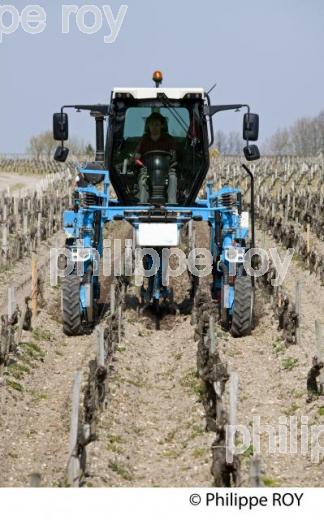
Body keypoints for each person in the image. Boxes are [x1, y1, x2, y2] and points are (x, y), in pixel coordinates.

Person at [135, 112, 177, 204]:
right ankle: (143, 206)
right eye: (152, 124)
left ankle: (172, 206)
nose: (154, 127)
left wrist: (170, 164)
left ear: (162, 125)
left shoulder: (169, 139)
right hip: (147, 170)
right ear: (148, 126)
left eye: (157, 124)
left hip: (166, 170)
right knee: (143, 179)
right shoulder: (143, 140)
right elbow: (137, 158)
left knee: (173, 177)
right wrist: (140, 164)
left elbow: (174, 158)